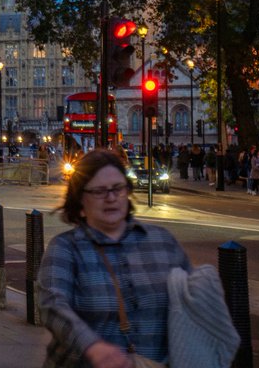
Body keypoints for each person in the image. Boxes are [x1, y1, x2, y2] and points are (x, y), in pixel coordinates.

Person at [38, 149, 192, 367]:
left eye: (118, 189)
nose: (111, 198)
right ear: (80, 202)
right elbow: (53, 305)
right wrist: (91, 346)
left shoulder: (162, 241)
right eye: (99, 191)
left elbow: (191, 302)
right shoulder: (65, 249)